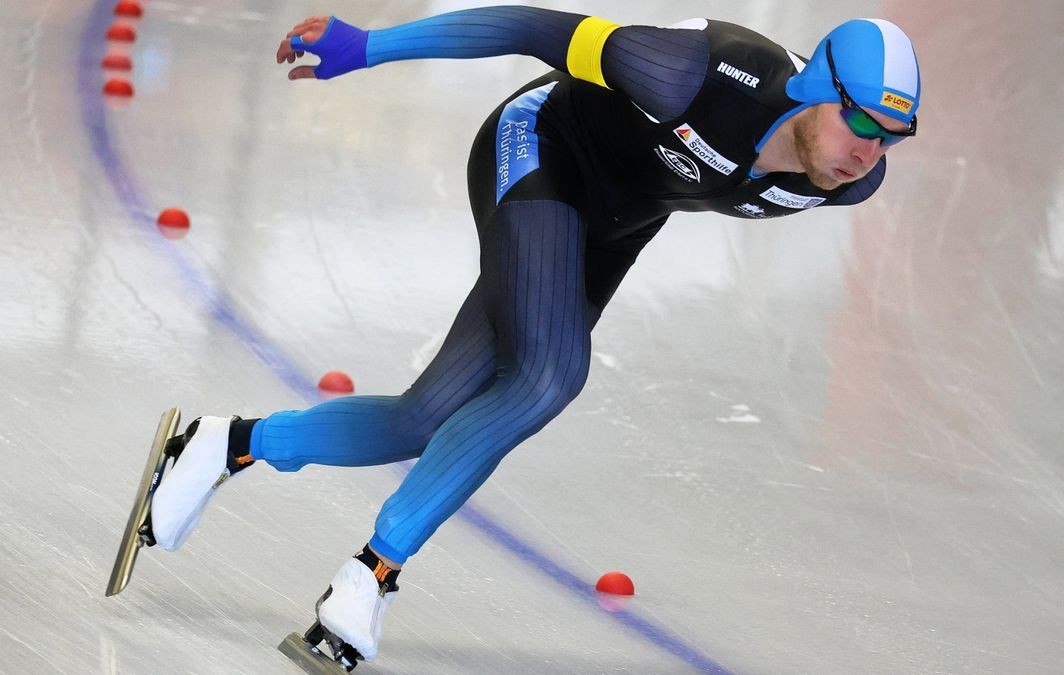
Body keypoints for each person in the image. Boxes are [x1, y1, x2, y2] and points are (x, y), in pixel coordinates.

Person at [148, 6, 921, 663]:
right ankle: (370, 573)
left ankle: (229, 443)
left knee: (426, 416)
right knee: (550, 374)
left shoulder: (849, 182)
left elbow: (698, 176)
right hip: (540, 147)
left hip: (616, 223)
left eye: (893, 136)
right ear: (820, 88)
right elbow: (529, 25)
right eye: (860, 120)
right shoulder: (695, 72)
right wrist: (367, 46)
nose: (868, 150)